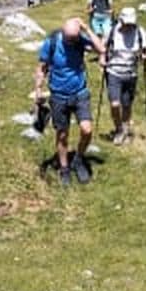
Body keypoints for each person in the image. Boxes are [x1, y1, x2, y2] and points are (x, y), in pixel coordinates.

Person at [35, 17, 105, 186]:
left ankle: (78, 159)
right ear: (63, 33)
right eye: (68, 38)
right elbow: (42, 67)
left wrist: (87, 29)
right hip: (58, 96)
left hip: (80, 93)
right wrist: (38, 88)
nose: (71, 42)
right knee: (62, 134)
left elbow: (102, 49)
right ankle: (64, 168)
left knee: (87, 130)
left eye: (74, 38)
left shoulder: (80, 40)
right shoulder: (51, 42)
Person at [100, 7, 146, 145]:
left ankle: (125, 129)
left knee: (127, 105)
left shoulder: (139, 31)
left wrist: (145, 55)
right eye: (126, 22)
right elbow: (102, 47)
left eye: (131, 23)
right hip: (114, 72)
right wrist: (102, 58)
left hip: (131, 73)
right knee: (115, 104)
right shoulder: (111, 31)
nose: (129, 25)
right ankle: (119, 129)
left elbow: (145, 49)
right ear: (121, 20)